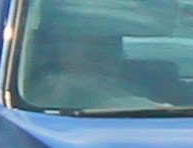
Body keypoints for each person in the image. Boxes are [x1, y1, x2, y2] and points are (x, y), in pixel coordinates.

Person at [25, 34, 158, 110]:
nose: (103, 62)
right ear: (64, 56)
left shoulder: (139, 108)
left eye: (111, 52)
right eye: (92, 54)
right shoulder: (31, 109)